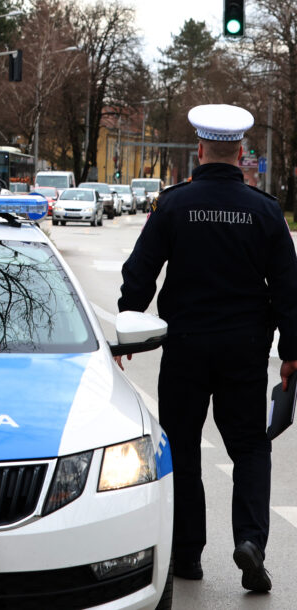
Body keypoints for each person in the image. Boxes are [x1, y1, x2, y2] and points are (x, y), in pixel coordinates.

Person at [117, 104, 297, 593]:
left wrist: (127, 324)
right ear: (240, 153)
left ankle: (187, 553)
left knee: (182, 446)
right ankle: (251, 542)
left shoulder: (174, 205)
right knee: (250, 448)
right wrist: (292, 354)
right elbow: (288, 289)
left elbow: (141, 272)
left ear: (200, 150)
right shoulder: (265, 211)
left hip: (186, 348)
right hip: (244, 350)